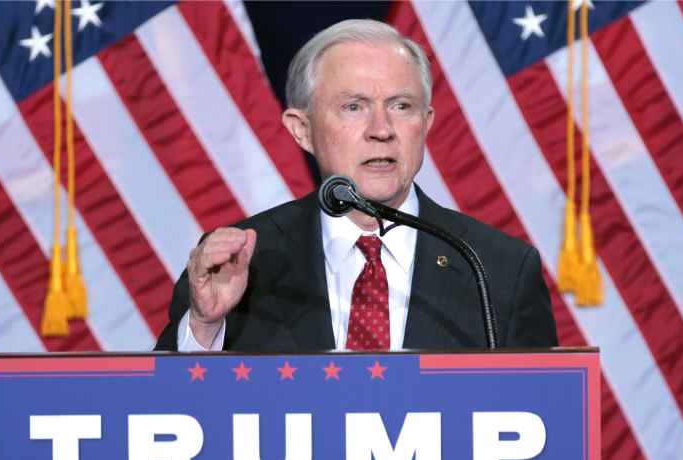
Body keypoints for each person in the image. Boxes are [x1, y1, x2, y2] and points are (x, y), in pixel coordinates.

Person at [154, 19, 556, 352]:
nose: (381, 130)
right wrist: (205, 328)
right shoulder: (244, 263)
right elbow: (162, 419)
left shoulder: (497, 268)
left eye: (402, 106)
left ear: (426, 124)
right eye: (353, 107)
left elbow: (544, 420)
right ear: (302, 130)